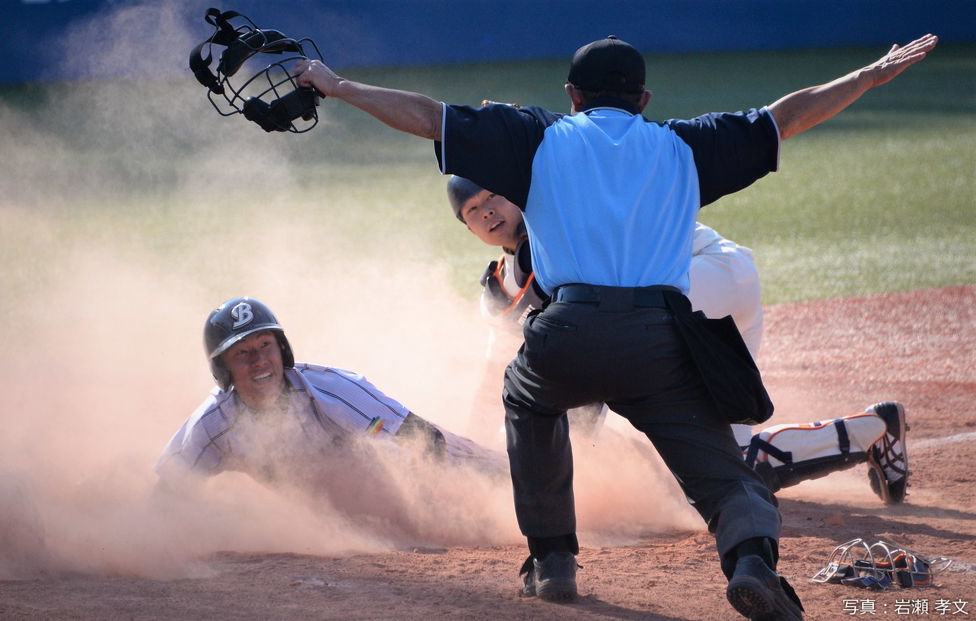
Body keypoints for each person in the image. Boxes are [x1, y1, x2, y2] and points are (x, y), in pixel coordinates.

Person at [293, 33, 937, 619]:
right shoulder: (687, 144)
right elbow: (785, 117)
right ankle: (750, 563)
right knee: (721, 470)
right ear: (644, 98)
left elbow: (425, 116)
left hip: (567, 334)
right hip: (662, 338)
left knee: (526, 400)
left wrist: (337, 85)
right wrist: (866, 77)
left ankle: (551, 561)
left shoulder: (537, 137)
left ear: (571, 97)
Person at [446, 174, 909, 504]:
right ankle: (875, 430)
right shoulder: (498, 290)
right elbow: (497, 376)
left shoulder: (558, 218)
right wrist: (467, 450)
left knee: (595, 349)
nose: (489, 211)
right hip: (698, 296)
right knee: (732, 470)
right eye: (473, 209)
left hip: (702, 274)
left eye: (496, 195)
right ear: (466, 227)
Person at [154, 297, 503, 523]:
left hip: (426, 470)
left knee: (512, 479)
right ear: (223, 368)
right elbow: (168, 490)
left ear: (282, 350)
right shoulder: (213, 425)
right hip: (353, 512)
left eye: (265, 345)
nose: (260, 360)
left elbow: (424, 440)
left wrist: (434, 506)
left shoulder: (330, 390)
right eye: (242, 353)